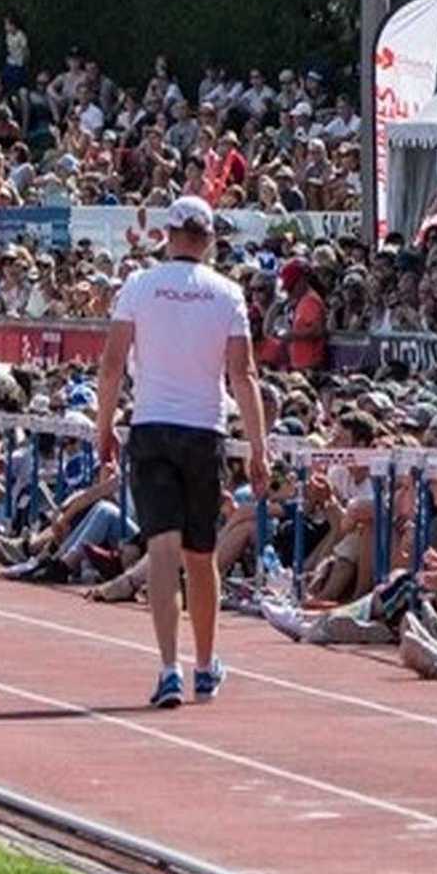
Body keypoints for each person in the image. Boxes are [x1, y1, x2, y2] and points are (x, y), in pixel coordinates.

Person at [98, 194, 262, 708]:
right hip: (202, 430)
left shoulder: (140, 286)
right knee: (200, 554)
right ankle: (206, 665)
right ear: (209, 239)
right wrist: (260, 447)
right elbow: (244, 374)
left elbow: (110, 365)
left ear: (167, 235)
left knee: (163, 551)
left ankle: (170, 667)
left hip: (152, 425)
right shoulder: (227, 293)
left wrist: (102, 425)